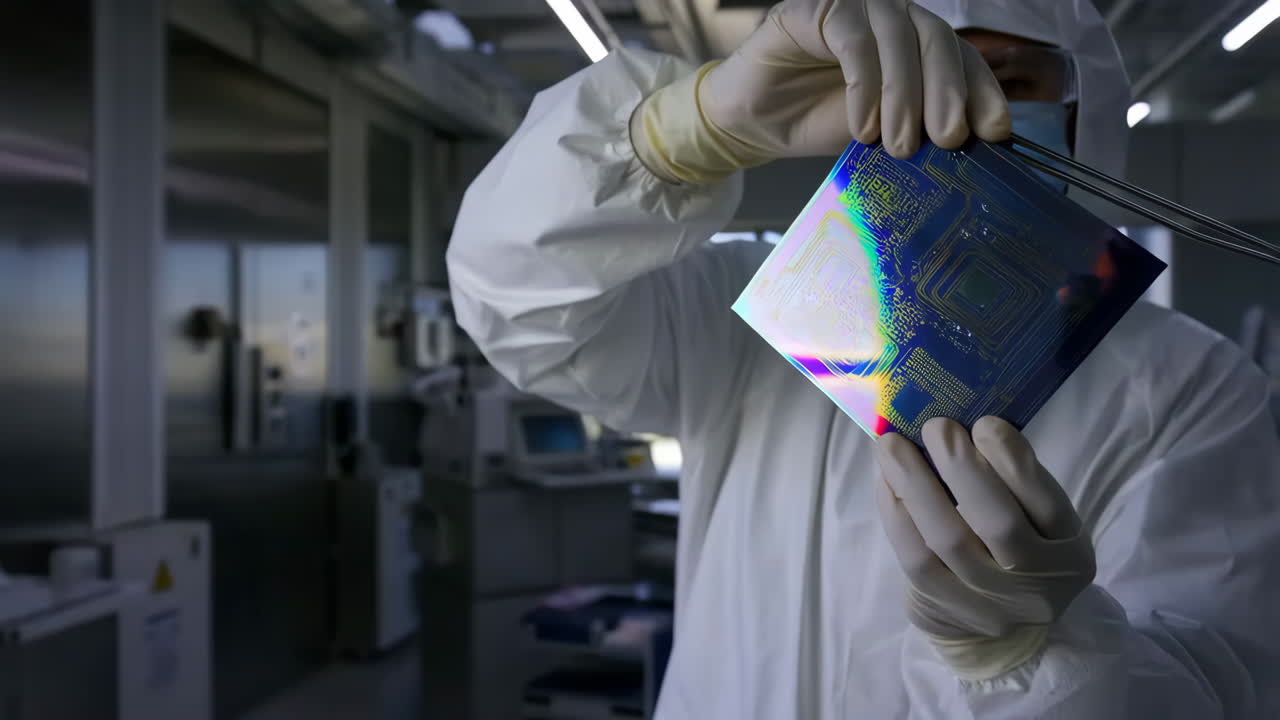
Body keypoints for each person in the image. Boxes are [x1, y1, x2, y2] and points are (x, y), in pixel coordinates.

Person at [447, 0, 1280, 716]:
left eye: (1011, 81)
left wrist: (1029, 658)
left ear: (1083, 113)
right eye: (926, 79)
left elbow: (1217, 690)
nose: (962, 112)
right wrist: (678, 131)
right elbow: (515, 304)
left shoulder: (1195, 390)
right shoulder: (746, 315)